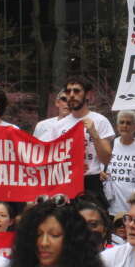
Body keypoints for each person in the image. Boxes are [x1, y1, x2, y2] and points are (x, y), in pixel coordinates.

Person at [34, 77, 114, 206]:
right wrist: (73, 165)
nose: (71, 95)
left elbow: (106, 159)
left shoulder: (100, 121)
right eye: (68, 91)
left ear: (88, 95)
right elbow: (51, 159)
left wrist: (94, 133)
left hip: (90, 182)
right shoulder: (59, 126)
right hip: (65, 181)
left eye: (76, 91)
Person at [104, 110, 135, 216]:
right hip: (112, 208)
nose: (125, 125)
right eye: (122, 122)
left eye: (129, 123)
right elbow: (102, 171)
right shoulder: (110, 145)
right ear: (117, 126)